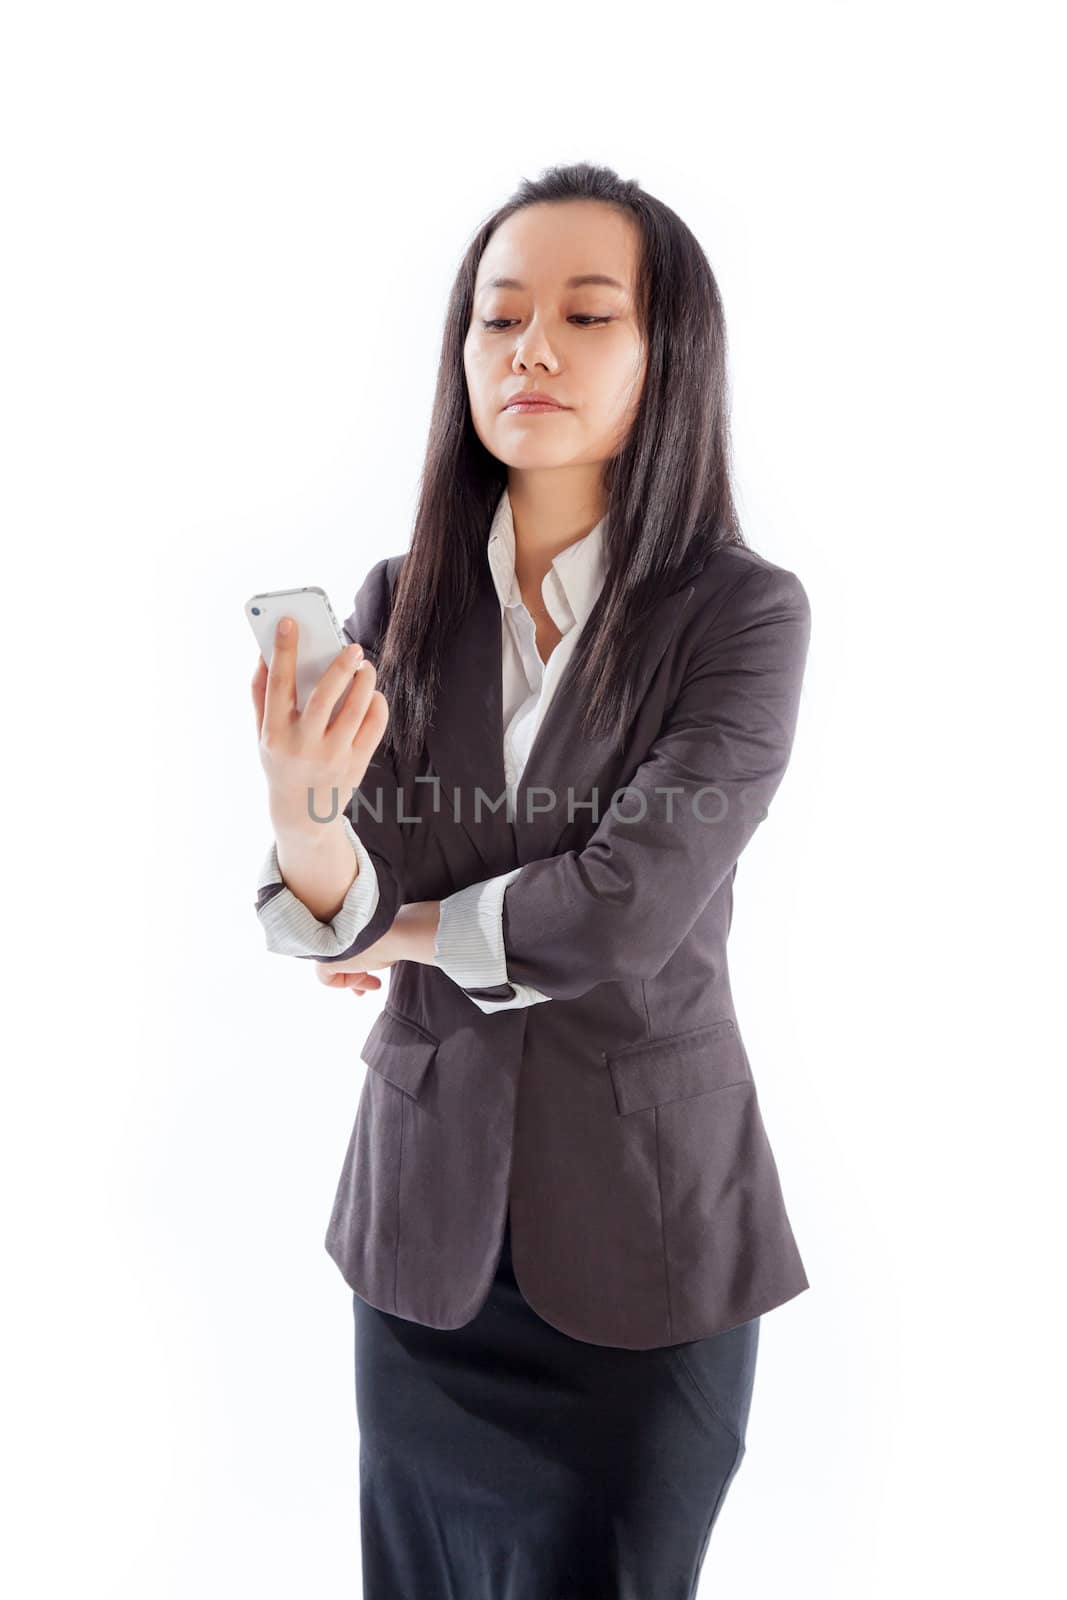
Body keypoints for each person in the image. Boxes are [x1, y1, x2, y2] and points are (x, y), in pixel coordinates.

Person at [250, 161, 812, 1599]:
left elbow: (625, 905)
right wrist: (304, 819)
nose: (531, 350)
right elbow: (339, 904)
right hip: (422, 1243)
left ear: (667, 350)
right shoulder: (400, 600)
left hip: (645, 1246)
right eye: (498, 319)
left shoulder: (739, 616)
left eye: (585, 313)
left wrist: (401, 924)